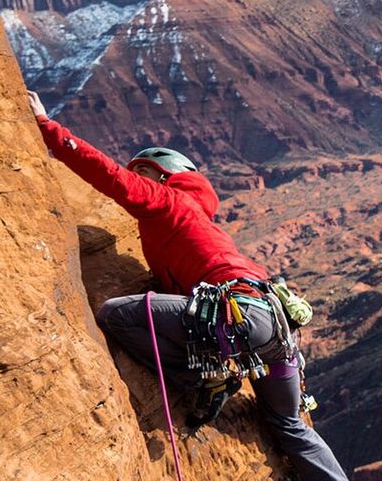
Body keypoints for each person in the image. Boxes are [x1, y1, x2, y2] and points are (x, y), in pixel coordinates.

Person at [28, 92, 348, 481]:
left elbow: (112, 177)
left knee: (117, 315)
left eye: (142, 172)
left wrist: (48, 128)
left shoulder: (167, 202)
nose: (138, 180)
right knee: (289, 426)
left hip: (238, 318)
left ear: (162, 176)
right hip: (277, 331)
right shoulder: (203, 222)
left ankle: (203, 379)